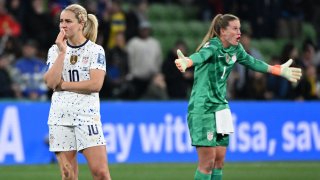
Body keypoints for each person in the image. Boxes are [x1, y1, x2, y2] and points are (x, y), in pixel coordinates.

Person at [174, 14, 302, 180]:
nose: (239, 33)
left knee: (219, 162)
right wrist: (188, 62)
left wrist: (277, 70)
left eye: (239, 28)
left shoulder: (236, 49)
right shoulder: (212, 46)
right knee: (207, 163)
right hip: (203, 108)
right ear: (222, 31)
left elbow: (253, 62)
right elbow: (201, 56)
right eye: (234, 29)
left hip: (221, 108)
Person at [43, 4, 111, 180]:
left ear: (81, 23)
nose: (63, 25)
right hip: (60, 118)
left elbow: (95, 84)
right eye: (61, 21)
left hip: (87, 117)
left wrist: (64, 85)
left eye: (68, 21)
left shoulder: (95, 50)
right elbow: (51, 82)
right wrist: (62, 52)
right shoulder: (55, 50)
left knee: (101, 173)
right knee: (68, 175)